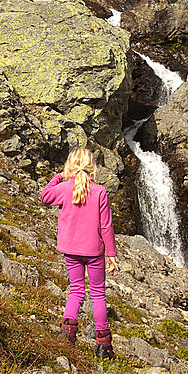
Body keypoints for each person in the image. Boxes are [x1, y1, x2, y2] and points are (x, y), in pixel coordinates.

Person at [40, 147, 118, 359]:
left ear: (70, 166)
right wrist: (111, 254)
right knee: (98, 293)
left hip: (70, 250)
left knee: (76, 289)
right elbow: (106, 226)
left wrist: (60, 176)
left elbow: (44, 196)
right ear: (92, 166)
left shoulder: (64, 188)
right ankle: (103, 344)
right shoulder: (100, 191)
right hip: (94, 251)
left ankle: (67, 332)